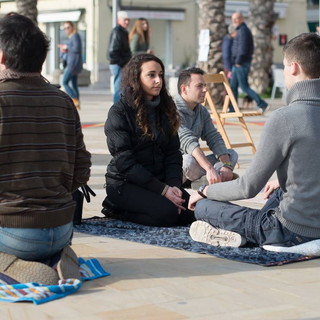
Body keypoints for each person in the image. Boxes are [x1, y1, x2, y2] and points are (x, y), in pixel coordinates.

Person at [188, 32, 320, 253]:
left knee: (202, 207)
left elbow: (247, 187)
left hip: (287, 231)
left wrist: (204, 191)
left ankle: (243, 235)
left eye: (285, 66)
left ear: (294, 68)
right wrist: (284, 179)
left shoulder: (285, 118)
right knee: (277, 190)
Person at [0, 14, 91, 284]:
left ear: (2, 55)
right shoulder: (63, 101)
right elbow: (82, 170)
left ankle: (12, 265)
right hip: (62, 228)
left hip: (13, 232)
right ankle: (56, 259)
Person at [102, 54, 195, 227]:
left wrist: (174, 186)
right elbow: (125, 163)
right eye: (151, 75)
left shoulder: (165, 108)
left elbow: (173, 153)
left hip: (159, 181)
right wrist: (163, 190)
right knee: (167, 214)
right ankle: (115, 208)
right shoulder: (119, 112)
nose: (158, 80)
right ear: (136, 78)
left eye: (160, 75)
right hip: (125, 184)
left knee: (192, 210)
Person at [175, 67, 238, 187]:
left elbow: (213, 137)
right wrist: (209, 169)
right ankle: (214, 178)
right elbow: (188, 142)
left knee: (232, 154)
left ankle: (203, 181)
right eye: (199, 86)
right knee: (187, 161)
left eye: (205, 85)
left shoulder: (202, 111)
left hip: (196, 166)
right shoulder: (171, 110)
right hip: (176, 166)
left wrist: (227, 166)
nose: (205, 90)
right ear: (184, 89)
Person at [229, 12, 268, 113]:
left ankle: (262, 104)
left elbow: (243, 48)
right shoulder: (240, 30)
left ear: (242, 19)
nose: (234, 21)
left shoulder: (243, 31)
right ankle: (233, 108)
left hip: (240, 63)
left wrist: (238, 61)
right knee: (233, 87)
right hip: (237, 64)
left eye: (236, 18)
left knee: (244, 87)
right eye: (233, 19)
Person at [107, 10, 131, 104]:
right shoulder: (117, 32)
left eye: (128, 20)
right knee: (119, 88)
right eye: (125, 20)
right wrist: (122, 63)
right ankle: (117, 110)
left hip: (121, 63)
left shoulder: (123, 32)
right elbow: (113, 51)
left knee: (122, 88)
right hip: (118, 64)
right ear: (119, 20)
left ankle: (119, 108)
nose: (127, 22)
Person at [58, 21, 83, 110]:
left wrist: (66, 47)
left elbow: (77, 48)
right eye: (65, 28)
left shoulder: (75, 36)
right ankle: (77, 103)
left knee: (64, 82)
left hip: (73, 64)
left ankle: (75, 100)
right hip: (73, 63)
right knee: (74, 84)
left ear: (73, 27)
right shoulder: (72, 37)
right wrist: (65, 49)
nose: (66, 30)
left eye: (68, 27)